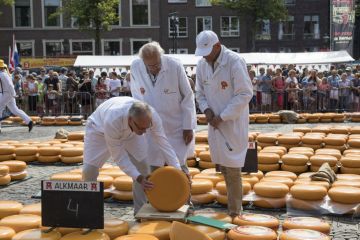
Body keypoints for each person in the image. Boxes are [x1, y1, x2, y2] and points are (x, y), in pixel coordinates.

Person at [82, 97, 183, 214]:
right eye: (141, 128)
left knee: (143, 167)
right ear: (130, 120)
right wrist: (138, 177)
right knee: (89, 170)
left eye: (147, 127)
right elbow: (119, 156)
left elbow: (163, 143)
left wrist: (178, 170)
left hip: (132, 135)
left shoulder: (152, 116)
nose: (144, 132)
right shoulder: (113, 119)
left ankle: (140, 212)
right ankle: (88, 214)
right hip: (98, 130)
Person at [194, 30, 253, 218]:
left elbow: (244, 93)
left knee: (233, 168)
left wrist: (223, 116)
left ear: (218, 46)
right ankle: (231, 207)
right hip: (215, 124)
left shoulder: (234, 61)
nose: (205, 56)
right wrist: (206, 110)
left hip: (232, 123)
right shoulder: (202, 64)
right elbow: (199, 92)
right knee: (224, 168)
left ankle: (236, 211)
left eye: (208, 51)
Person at [130, 41, 196, 177]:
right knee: (153, 167)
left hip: (175, 127)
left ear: (161, 57)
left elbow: (188, 96)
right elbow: (136, 96)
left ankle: (185, 198)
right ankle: (155, 198)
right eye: (150, 66)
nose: (154, 68)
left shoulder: (175, 65)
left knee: (179, 166)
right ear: (143, 61)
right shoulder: (136, 67)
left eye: (157, 64)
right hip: (150, 127)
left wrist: (188, 126)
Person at [0, 59, 33, 132]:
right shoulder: (4, 74)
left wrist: (13, 94)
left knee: (0, 107)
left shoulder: (3, 74)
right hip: (7, 93)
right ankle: (29, 121)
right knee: (15, 109)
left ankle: (5, 116)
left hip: (7, 93)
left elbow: (10, 85)